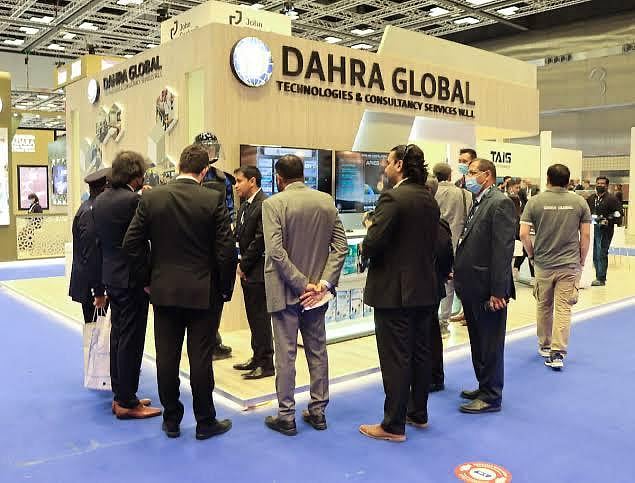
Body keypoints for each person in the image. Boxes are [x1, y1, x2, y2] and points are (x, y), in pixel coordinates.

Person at [123, 144, 236, 439]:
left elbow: (131, 244)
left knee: (167, 358)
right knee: (201, 360)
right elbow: (226, 251)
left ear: (178, 167)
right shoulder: (213, 199)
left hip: (164, 291)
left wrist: (147, 279)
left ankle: (171, 419)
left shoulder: (153, 198)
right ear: (204, 171)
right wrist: (225, 289)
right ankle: (205, 421)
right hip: (203, 292)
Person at [358, 144, 440, 443]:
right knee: (419, 353)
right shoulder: (428, 198)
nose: (384, 166)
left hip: (395, 292)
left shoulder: (392, 197)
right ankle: (417, 412)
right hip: (424, 288)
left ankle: (392, 425)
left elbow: (375, 242)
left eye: (388, 161)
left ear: (400, 165)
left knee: (395, 358)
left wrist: (369, 227)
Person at [262, 154, 347, 436]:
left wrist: (301, 284)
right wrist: (321, 284)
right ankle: (318, 411)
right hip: (316, 296)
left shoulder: (273, 204)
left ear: (279, 178)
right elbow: (341, 247)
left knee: (285, 355)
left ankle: (286, 416)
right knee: (317, 351)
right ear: (303, 174)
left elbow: (275, 252)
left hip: (285, 291)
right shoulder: (325, 201)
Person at [93, 151, 161, 420]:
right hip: (132, 279)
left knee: (118, 336)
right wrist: (147, 280)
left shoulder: (101, 199)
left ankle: (120, 394)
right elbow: (140, 242)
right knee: (131, 341)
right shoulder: (133, 201)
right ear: (137, 175)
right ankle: (127, 401)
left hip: (111, 276)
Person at [454, 158, 516, 414]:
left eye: (472, 172)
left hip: (488, 289)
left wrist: (498, 292)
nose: (467, 177)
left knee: (490, 343)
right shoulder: (479, 201)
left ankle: (491, 395)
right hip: (473, 286)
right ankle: (484, 385)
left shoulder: (500, 202)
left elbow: (502, 250)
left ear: (487, 175)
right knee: (478, 341)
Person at [520, 164, 591, 371]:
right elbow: (586, 235)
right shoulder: (580, 202)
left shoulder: (534, 202)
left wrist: (531, 255)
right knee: (563, 308)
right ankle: (558, 352)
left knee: (543, 306)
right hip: (569, 265)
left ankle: (545, 345)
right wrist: (581, 261)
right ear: (568, 181)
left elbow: (523, 234)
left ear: (548, 179)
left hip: (543, 264)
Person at [194, 131, 235, 360]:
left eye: (212, 147)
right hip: (196, 242)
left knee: (217, 295)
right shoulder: (191, 177)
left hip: (217, 242)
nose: (210, 151)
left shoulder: (224, 178)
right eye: (206, 147)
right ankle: (204, 341)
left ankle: (213, 339)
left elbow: (229, 211)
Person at [232, 166, 274, 380]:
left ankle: (266, 363)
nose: (236, 185)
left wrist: (244, 265)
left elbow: (260, 240)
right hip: (247, 271)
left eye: (239, 181)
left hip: (257, 271)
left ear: (252, 181)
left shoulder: (264, 204)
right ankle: (257, 357)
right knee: (253, 317)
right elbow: (240, 236)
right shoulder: (245, 206)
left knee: (261, 319)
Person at [433, 162, 472, 332]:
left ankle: (437, 321)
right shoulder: (465, 194)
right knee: (455, 283)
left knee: (439, 282)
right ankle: (450, 319)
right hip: (459, 244)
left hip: (436, 245)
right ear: (449, 176)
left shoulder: (431, 192)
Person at [69, 168, 110, 323]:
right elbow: (91, 253)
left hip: (93, 282)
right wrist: (98, 291)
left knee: (99, 330)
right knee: (96, 331)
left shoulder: (90, 208)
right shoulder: (91, 212)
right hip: (91, 285)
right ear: (104, 189)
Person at [587, 176, 623, 286]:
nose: (600, 185)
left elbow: (619, 214)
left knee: (602, 252)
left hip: (605, 230)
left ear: (607, 185)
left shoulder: (612, 199)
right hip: (593, 229)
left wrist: (609, 219)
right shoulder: (591, 198)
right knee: (594, 253)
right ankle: (598, 275)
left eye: (602, 183)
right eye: (598, 183)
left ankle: (601, 278)